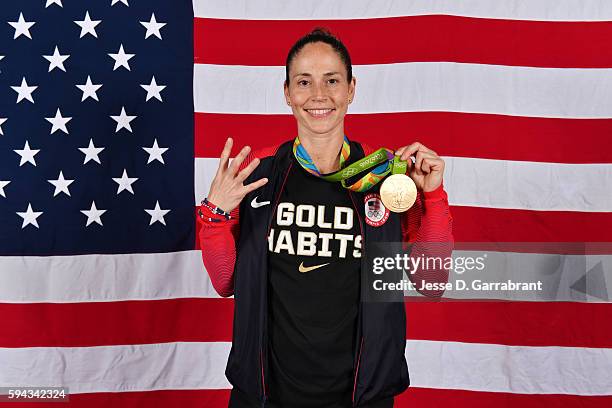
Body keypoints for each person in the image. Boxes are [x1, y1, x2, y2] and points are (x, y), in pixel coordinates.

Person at [198, 28, 453, 408]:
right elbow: (224, 281)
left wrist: (432, 194)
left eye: (331, 80)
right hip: (266, 397)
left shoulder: (386, 176)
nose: (319, 95)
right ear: (287, 93)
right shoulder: (257, 176)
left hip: (362, 396)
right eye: (304, 82)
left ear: (351, 89)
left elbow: (431, 280)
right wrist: (214, 215)